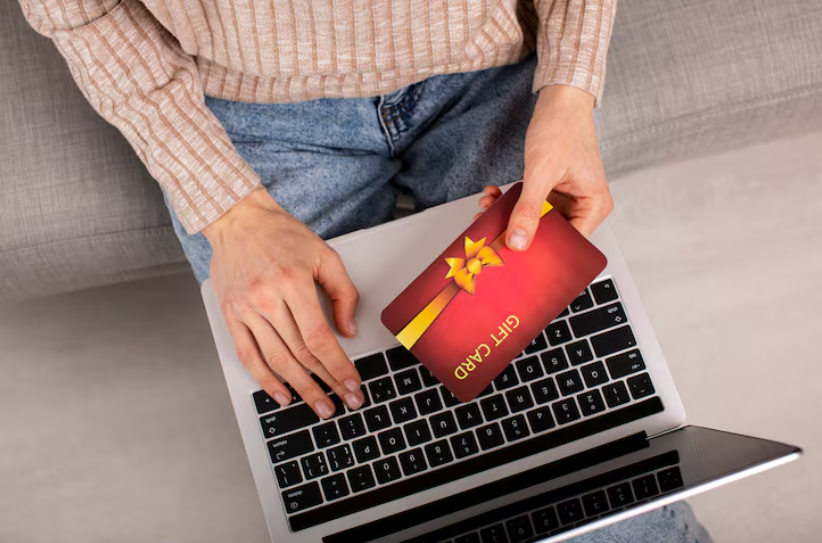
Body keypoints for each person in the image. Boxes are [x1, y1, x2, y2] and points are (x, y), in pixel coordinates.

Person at [19, 2, 712, 541]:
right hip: (246, 107)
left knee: (574, 428)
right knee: (355, 457)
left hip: (489, 60)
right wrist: (226, 208)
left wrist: (569, 88)